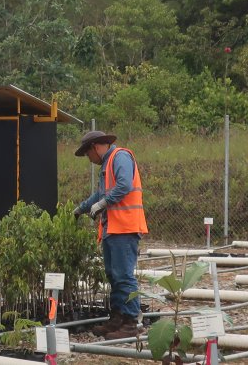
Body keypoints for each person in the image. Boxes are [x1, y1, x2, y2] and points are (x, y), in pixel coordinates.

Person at [73, 129, 148, 339]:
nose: (89, 159)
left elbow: (124, 186)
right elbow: (100, 194)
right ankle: (118, 318)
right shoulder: (106, 165)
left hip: (125, 227)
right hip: (112, 229)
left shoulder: (120, 157)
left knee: (124, 276)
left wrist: (102, 204)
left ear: (95, 147)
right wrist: (81, 208)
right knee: (114, 275)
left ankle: (132, 322)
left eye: (88, 155)